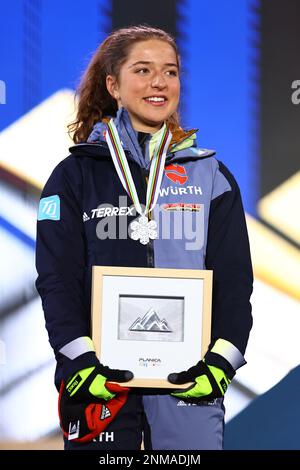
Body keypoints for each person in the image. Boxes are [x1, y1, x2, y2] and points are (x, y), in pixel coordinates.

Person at [35, 25, 253, 450]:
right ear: (113, 85)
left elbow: (234, 281)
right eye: (143, 70)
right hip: (100, 384)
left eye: (170, 72)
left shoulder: (210, 176)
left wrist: (220, 365)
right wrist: (80, 360)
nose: (159, 82)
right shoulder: (72, 177)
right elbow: (55, 280)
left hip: (188, 382)